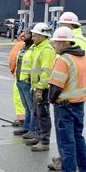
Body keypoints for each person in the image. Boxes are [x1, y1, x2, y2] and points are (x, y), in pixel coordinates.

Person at [48, 12, 86, 171]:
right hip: (79, 103)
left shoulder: (63, 59)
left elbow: (55, 87)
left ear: (63, 43)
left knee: (67, 140)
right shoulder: (83, 56)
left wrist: (52, 100)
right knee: (78, 138)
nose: (54, 45)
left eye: (55, 43)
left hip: (65, 105)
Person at [26, 23, 56, 152]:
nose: (32, 37)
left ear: (43, 36)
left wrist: (40, 88)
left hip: (42, 89)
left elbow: (46, 72)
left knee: (43, 115)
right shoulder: (38, 48)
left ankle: (44, 141)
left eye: (35, 35)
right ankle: (38, 136)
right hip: (36, 87)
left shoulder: (47, 50)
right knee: (37, 113)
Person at [13, 28, 36, 139]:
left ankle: (33, 129)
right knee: (26, 106)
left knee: (31, 107)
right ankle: (26, 127)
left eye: (26, 33)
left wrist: (30, 80)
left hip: (27, 82)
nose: (23, 35)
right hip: (20, 80)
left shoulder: (33, 49)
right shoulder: (23, 47)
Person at [8, 36, 26, 126]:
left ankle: (22, 118)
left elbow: (12, 59)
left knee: (19, 97)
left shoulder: (19, 45)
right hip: (33, 78)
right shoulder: (38, 46)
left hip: (20, 76)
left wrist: (12, 70)